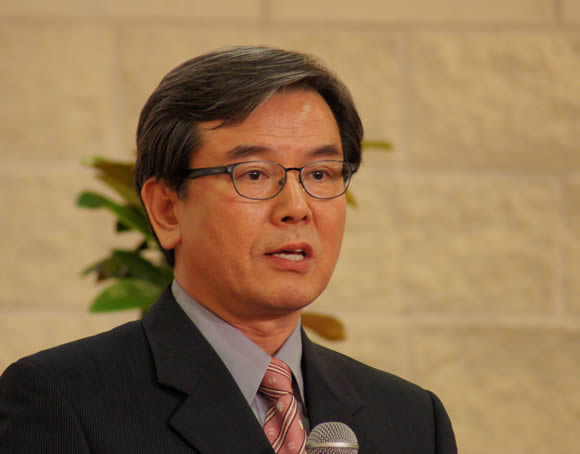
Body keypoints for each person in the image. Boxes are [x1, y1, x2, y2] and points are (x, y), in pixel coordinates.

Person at [0, 46, 457, 453]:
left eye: (320, 174)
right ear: (166, 210)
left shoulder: (412, 420)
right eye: (254, 174)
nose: (296, 208)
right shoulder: (63, 400)